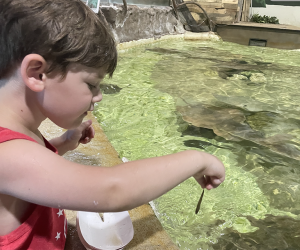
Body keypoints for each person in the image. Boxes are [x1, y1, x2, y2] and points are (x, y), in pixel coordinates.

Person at [0, 0, 225, 249]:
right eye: (91, 84)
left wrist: (62, 143)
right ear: (37, 74)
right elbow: (112, 190)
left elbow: (32, 166)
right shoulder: (6, 154)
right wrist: (197, 160)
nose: (99, 97)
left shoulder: (14, 130)